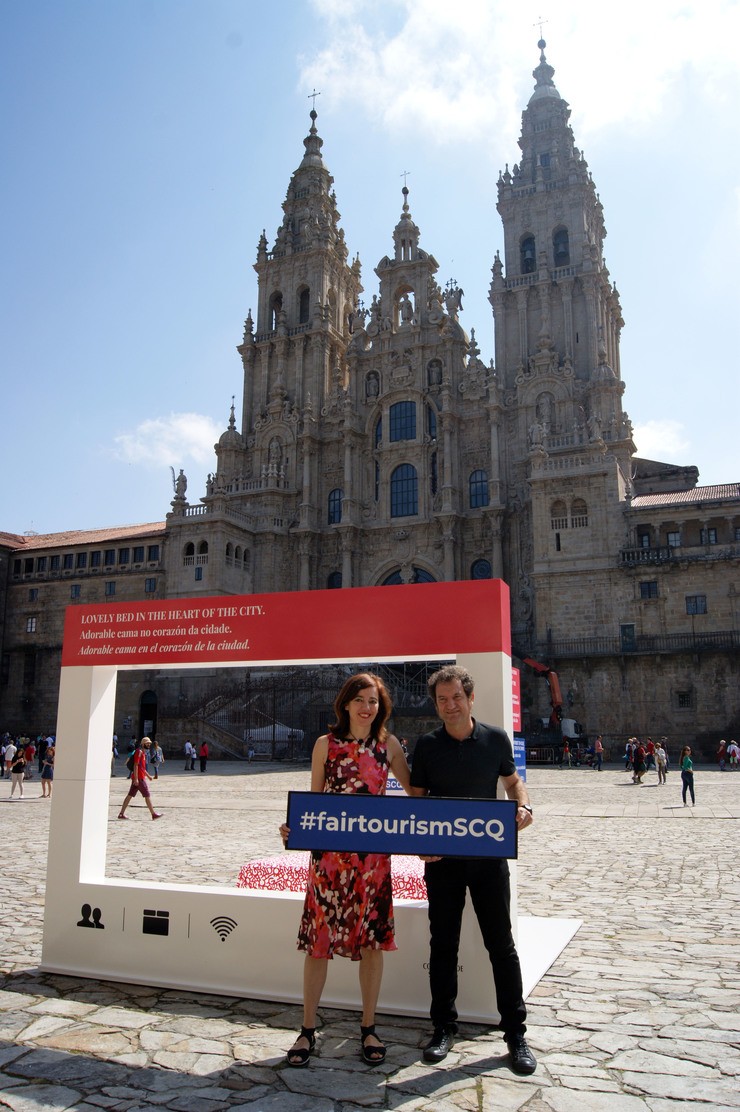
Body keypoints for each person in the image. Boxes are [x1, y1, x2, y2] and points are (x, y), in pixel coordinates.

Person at [409, 664, 537, 1076]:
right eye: (442, 700)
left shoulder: (496, 739)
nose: (450, 706)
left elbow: (513, 782)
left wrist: (524, 804)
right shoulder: (426, 746)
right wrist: (420, 843)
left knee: (501, 945)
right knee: (442, 944)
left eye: (456, 698)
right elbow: (417, 800)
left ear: (470, 698)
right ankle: (444, 1028)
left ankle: (516, 1034)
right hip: (442, 863)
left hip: (488, 862)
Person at [279, 672, 411, 1068]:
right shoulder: (326, 745)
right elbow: (315, 800)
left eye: (373, 700)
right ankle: (306, 1029)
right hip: (329, 861)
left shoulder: (389, 746)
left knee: (371, 942)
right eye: (360, 699)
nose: (366, 707)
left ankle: (368, 1026)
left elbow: (417, 793)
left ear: (380, 707)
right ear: (346, 703)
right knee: (318, 942)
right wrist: (295, 827)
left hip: (372, 862)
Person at [118, 738, 162, 820]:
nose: (149, 744)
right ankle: (153, 814)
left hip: (139, 778)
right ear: (143, 744)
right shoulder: (139, 752)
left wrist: (148, 775)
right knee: (147, 795)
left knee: (129, 795)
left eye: (149, 743)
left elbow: (141, 767)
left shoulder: (143, 753)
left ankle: (121, 814)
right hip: (139, 779)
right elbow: (135, 765)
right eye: (147, 743)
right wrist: (136, 779)